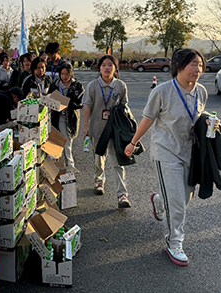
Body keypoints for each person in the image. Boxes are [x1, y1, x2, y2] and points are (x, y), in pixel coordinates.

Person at [124, 48, 208, 267]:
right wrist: (133, 142)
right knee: (177, 202)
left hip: (189, 152)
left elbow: (197, 119)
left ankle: (159, 201)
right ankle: (174, 243)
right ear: (179, 66)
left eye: (200, 64)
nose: (198, 69)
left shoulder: (201, 92)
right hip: (166, 151)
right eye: (193, 64)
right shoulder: (162, 91)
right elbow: (147, 120)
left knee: (185, 197)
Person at [82, 55, 131, 207]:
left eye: (110, 65)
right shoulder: (92, 85)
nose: (107, 68)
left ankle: (122, 194)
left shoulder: (121, 85)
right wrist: (86, 126)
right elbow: (87, 106)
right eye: (103, 65)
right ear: (99, 68)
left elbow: (124, 106)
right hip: (97, 128)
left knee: (118, 162)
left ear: (115, 68)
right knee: (99, 157)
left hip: (115, 130)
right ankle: (99, 181)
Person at [49, 62, 83, 172]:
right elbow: (49, 98)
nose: (64, 76)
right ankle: (67, 164)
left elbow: (81, 103)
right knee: (63, 140)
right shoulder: (55, 85)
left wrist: (68, 104)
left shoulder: (77, 86)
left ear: (71, 74)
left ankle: (68, 164)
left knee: (68, 140)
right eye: (62, 74)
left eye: (67, 74)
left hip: (71, 116)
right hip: (57, 116)